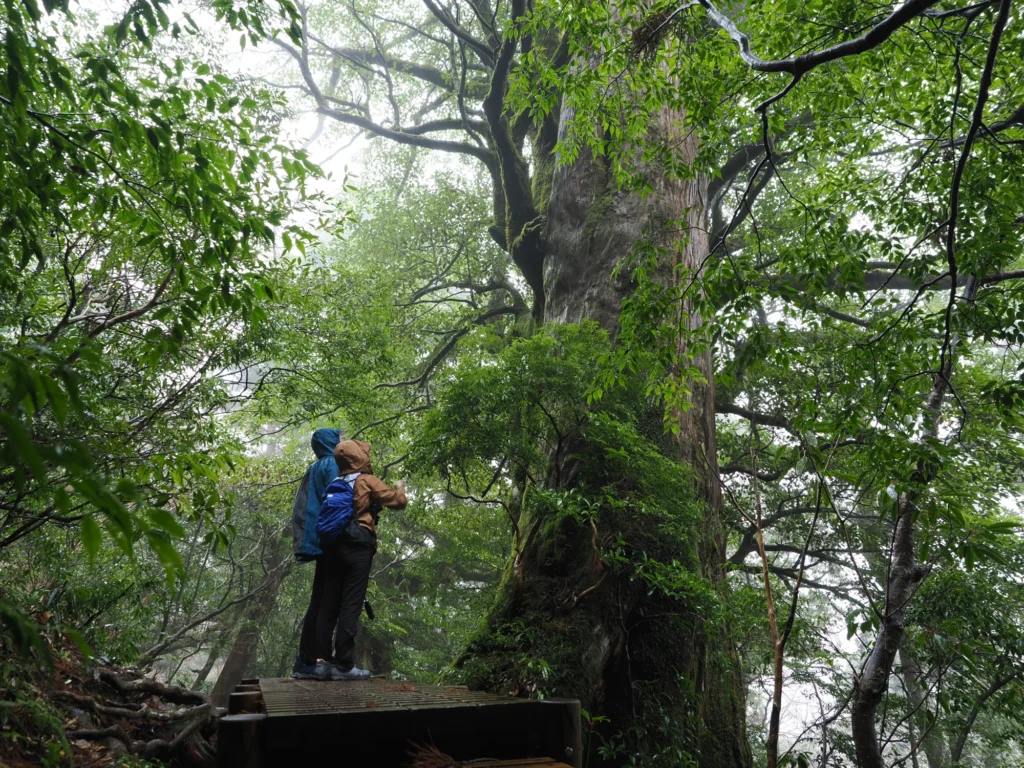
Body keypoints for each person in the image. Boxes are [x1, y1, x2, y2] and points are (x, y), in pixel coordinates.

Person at [312, 439, 407, 681]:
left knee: (328, 606)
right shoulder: (365, 480)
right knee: (351, 604)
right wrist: (400, 487)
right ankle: (344, 665)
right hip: (357, 544)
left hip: (332, 547)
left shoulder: (335, 482)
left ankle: (322, 664)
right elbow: (398, 502)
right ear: (360, 458)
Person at [289, 427, 344, 680]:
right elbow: (337, 500)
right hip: (328, 541)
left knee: (319, 600)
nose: (342, 442)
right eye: (339, 439)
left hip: (318, 540)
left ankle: (307, 660)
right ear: (331, 443)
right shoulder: (331, 464)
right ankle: (312, 661)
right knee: (324, 603)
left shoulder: (316, 466)